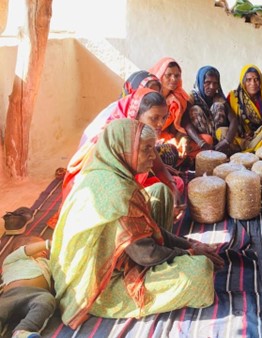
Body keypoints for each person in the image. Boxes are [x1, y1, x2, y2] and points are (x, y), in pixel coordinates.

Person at [51, 119, 224, 329]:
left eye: (153, 147)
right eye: (146, 149)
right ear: (123, 151)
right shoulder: (119, 195)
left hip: (102, 262)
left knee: (159, 192)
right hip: (96, 288)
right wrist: (189, 254)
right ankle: (119, 300)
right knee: (199, 271)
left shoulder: (102, 171)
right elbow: (146, 255)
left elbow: (150, 228)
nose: (154, 155)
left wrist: (188, 244)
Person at [63, 89, 183, 203]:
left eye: (164, 118)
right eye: (154, 118)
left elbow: (159, 168)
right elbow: (108, 185)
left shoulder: (141, 136)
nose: (160, 124)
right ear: (136, 115)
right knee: (159, 197)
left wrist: (173, 189)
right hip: (102, 193)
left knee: (175, 185)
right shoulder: (115, 139)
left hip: (125, 186)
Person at [79, 70, 161, 147]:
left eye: (155, 93)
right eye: (146, 92)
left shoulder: (144, 112)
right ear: (133, 90)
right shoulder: (117, 112)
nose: (151, 97)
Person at [0, 236, 55, 338]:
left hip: (37, 294)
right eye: (39, 247)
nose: (45, 251)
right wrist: (47, 244)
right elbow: (26, 250)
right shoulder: (12, 259)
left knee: (47, 300)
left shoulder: (47, 263)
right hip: (10, 295)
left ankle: (23, 331)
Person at [227, 64, 262, 152]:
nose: (253, 83)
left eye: (256, 79)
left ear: (261, 81)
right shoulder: (233, 97)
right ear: (243, 81)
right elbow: (229, 121)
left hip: (260, 135)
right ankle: (254, 148)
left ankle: (250, 149)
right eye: (248, 80)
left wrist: (255, 134)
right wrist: (241, 133)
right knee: (223, 132)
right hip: (240, 138)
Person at [185, 66, 239, 156]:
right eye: (207, 82)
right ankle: (211, 145)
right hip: (202, 139)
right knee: (195, 110)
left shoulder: (218, 97)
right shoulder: (192, 96)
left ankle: (218, 146)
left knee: (218, 105)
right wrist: (201, 142)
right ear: (201, 82)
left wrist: (226, 141)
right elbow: (186, 122)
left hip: (219, 139)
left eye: (215, 83)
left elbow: (233, 120)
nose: (212, 87)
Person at [149, 57, 191, 162]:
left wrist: (183, 139)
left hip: (166, 137)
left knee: (202, 141)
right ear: (160, 75)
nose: (174, 79)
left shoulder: (179, 98)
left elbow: (179, 127)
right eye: (168, 75)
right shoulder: (148, 97)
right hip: (148, 138)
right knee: (169, 152)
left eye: (177, 76)